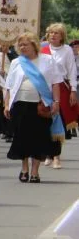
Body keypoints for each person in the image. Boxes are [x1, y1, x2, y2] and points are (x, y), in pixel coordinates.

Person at [4, 31, 62, 183]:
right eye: (20, 44)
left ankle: (35, 171)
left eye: (26, 44)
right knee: (22, 138)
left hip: (40, 106)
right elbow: (9, 86)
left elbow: (56, 82)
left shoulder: (48, 60)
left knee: (38, 138)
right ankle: (24, 169)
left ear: (34, 45)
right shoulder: (17, 62)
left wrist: (56, 102)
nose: (22, 47)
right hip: (20, 105)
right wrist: (6, 104)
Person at [45, 23, 78, 167]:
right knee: (45, 121)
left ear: (62, 36)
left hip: (62, 88)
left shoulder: (67, 50)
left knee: (58, 121)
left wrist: (73, 90)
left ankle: (57, 156)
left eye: (56, 33)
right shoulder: (42, 49)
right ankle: (47, 153)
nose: (53, 35)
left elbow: (72, 70)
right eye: (51, 32)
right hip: (45, 88)